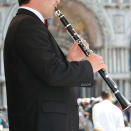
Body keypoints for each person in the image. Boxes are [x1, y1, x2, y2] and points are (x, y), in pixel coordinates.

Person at [3, 0, 106, 131]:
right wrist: (90, 66)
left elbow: (44, 73)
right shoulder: (27, 24)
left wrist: (70, 60)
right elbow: (53, 73)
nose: (58, 0)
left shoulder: (29, 23)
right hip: (42, 123)